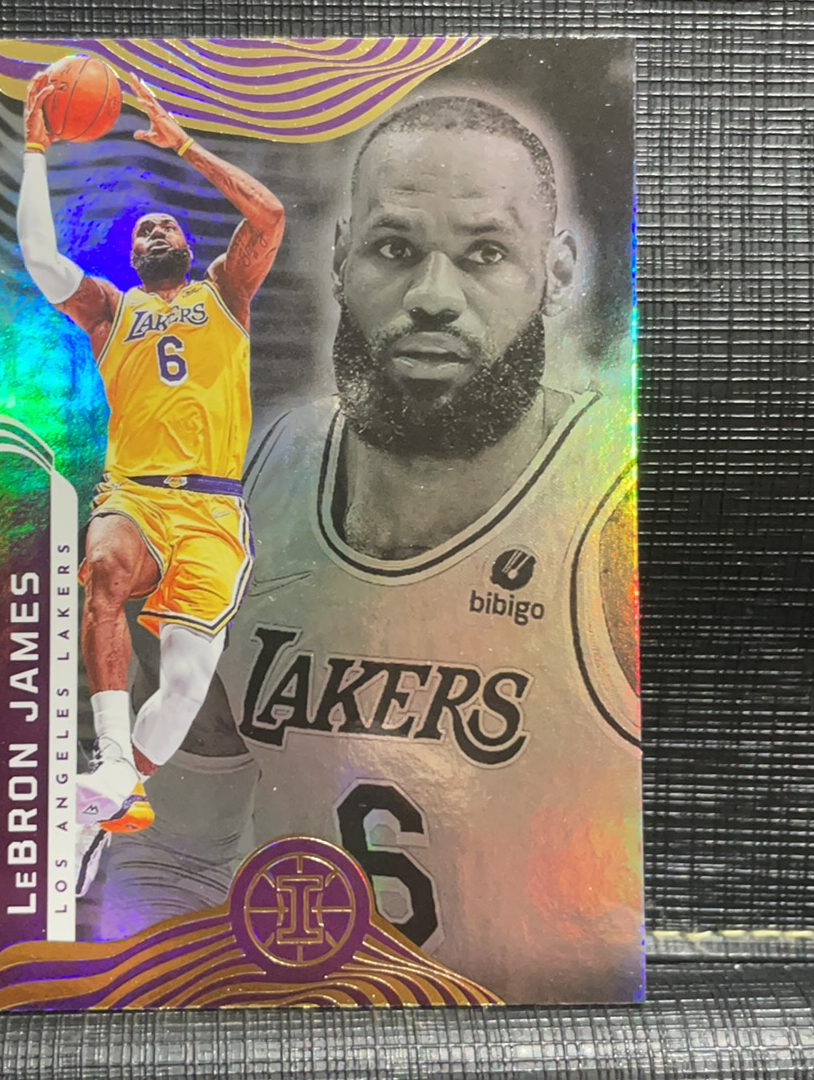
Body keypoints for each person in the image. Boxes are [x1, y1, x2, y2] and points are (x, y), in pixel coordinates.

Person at [89, 95, 642, 1004]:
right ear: (341, 258)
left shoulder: (617, 516)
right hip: (304, 1029)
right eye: (394, 248)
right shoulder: (254, 481)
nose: (433, 297)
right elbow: (176, 855)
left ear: (558, 271)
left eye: (485, 253)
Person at [16, 71, 284, 896]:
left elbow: (269, 217)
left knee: (183, 688)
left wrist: (185, 147)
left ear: (188, 248)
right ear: (133, 258)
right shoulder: (111, 311)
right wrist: (36, 147)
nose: (158, 229)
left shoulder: (225, 293)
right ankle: (107, 756)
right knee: (102, 568)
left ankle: (101, 801)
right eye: (144, 230)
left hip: (213, 511)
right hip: (134, 492)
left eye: (169, 224)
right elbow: (39, 258)